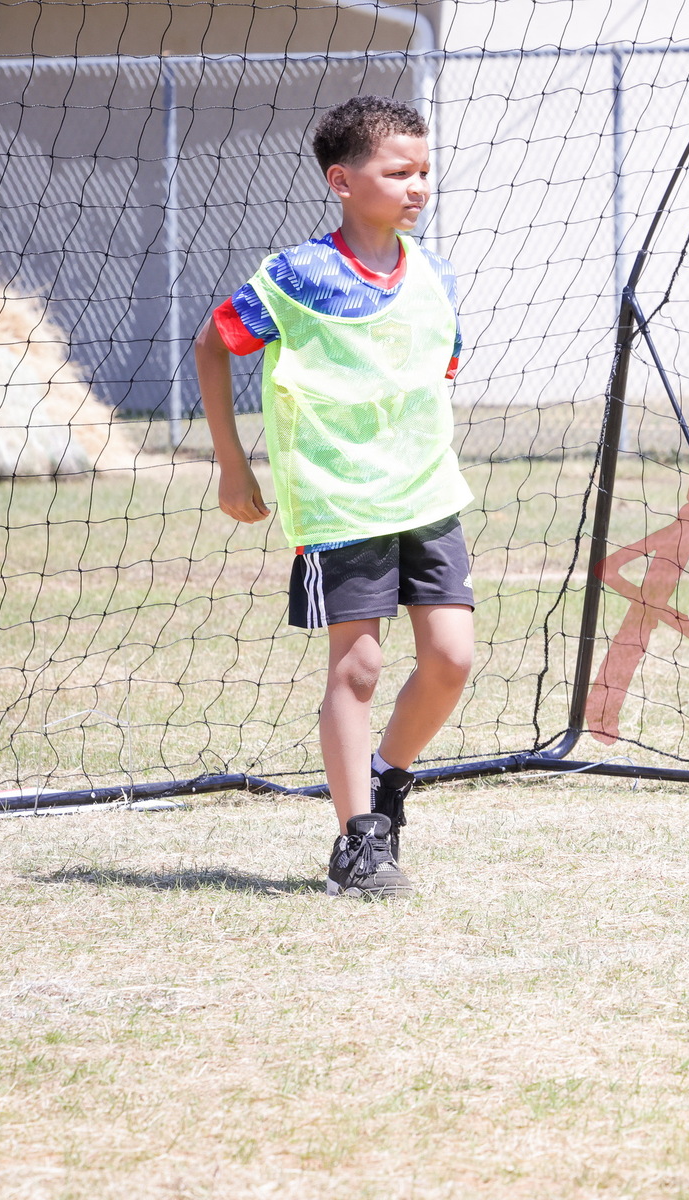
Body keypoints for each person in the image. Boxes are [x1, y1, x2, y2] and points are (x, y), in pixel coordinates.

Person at [194, 96, 473, 899]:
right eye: (399, 172)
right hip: (339, 505)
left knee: (451, 659)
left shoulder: (436, 276)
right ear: (342, 182)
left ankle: (386, 778)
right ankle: (358, 843)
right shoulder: (296, 275)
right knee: (359, 667)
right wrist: (232, 465)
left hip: (427, 497)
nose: (418, 187)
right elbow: (213, 344)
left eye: (425, 172)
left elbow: (437, 372)